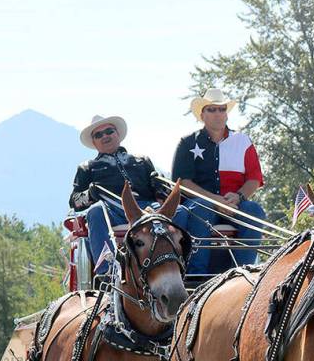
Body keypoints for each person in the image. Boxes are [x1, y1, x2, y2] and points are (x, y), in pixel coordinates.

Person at [172, 87, 266, 276]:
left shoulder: (243, 141)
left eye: (222, 109)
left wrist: (239, 197)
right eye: (212, 109)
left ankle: (244, 274)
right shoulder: (187, 143)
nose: (218, 113)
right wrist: (214, 200)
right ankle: (197, 275)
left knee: (255, 211)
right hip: (200, 204)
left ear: (227, 114)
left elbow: (254, 179)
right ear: (202, 115)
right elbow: (183, 182)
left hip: (234, 203)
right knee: (201, 209)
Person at [70, 115, 173, 274]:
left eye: (109, 131)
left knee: (181, 211)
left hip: (147, 209)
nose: (105, 136)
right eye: (98, 135)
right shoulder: (87, 167)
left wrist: (162, 188)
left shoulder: (142, 160)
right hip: (113, 211)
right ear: (94, 142)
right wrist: (90, 194)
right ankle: (108, 272)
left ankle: (182, 264)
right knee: (95, 212)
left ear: (117, 134)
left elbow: (164, 194)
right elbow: (74, 202)